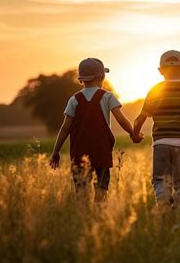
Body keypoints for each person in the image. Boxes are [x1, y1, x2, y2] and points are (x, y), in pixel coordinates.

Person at [49, 58, 142, 202]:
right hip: (101, 151)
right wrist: (133, 134)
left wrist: (55, 152)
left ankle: (83, 217)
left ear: (81, 79)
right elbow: (122, 120)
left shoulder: (74, 99)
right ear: (102, 77)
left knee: (81, 191)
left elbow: (65, 127)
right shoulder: (107, 96)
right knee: (101, 189)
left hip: (79, 153)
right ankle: (99, 214)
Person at [133, 50, 180, 209]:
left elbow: (140, 117)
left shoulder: (154, 91)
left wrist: (135, 134)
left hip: (160, 143)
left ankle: (163, 205)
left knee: (161, 179)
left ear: (160, 71)